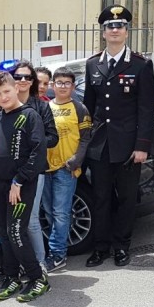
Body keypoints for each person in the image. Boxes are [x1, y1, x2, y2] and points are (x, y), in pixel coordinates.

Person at [83, 4, 154, 267]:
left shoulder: (140, 64)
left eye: (120, 26)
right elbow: (88, 110)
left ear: (127, 31)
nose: (115, 30)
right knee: (101, 197)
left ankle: (122, 246)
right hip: (100, 146)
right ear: (103, 32)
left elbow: (146, 110)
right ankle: (101, 247)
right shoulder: (92, 64)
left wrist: (142, 146)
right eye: (110, 27)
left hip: (128, 145)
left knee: (126, 199)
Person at [0, 71, 50, 302]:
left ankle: (38, 279)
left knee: (16, 232)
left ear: (16, 89)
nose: (3, 97)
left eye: (6, 91)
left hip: (21, 185)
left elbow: (38, 152)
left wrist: (19, 181)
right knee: (5, 233)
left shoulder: (29, 115)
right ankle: (12, 277)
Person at [42, 67, 91, 272]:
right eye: (59, 82)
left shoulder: (80, 109)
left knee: (61, 213)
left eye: (67, 83)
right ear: (52, 85)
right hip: (45, 169)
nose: (62, 86)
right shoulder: (45, 107)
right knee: (49, 212)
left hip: (66, 169)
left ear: (72, 86)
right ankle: (57, 248)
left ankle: (58, 255)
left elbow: (86, 137)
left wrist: (75, 161)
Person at [12, 60, 59, 269]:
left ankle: (39, 264)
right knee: (14, 220)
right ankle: (22, 263)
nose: (22, 80)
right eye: (18, 77)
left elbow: (53, 138)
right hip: (10, 172)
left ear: (32, 81)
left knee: (30, 218)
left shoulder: (41, 106)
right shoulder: (6, 104)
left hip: (34, 170)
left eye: (27, 77)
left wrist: (34, 143)